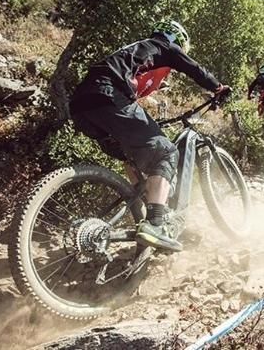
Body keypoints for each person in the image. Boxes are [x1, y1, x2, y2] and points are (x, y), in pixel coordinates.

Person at [69, 20, 227, 252]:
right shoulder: (163, 46)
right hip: (110, 96)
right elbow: (194, 68)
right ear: (177, 40)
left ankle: (144, 204)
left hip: (81, 106)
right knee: (167, 152)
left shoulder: (133, 50)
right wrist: (217, 87)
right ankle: (154, 224)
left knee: (131, 157)